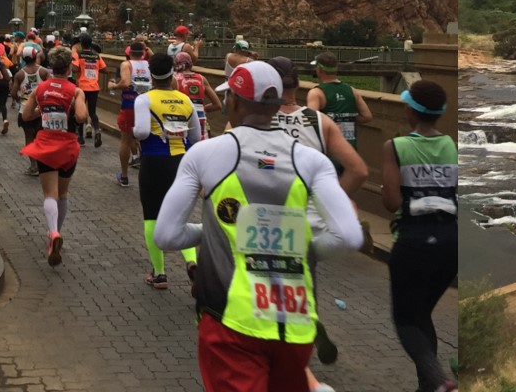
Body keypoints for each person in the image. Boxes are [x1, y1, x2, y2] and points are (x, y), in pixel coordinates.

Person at [153, 61, 363, 392]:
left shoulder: (206, 154)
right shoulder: (311, 161)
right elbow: (349, 235)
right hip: (293, 320)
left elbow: (165, 235)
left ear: (234, 102)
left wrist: (212, 232)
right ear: (277, 103)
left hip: (229, 319)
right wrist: (299, 245)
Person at [266, 57, 369, 379]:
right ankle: (305, 324)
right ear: (298, 85)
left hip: (267, 217)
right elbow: (359, 170)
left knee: (263, 283)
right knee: (302, 278)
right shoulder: (318, 121)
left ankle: (285, 352)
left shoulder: (256, 119)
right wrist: (334, 201)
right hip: (310, 219)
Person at [381, 80, 456, 392]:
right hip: (450, 241)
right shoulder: (452, 144)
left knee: (406, 320)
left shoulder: (395, 147)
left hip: (413, 240)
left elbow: (391, 202)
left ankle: (439, 381)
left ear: (411, 109)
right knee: (422, 314)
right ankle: (428, 387)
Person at [131, 52, 201, 289]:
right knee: (180, 217)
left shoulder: (144, 99)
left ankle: (159, 273)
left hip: (153, 160)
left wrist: (134, 131)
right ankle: (192, 262)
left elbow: (141, 132)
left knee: (152, 215)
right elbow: (196, 136)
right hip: (181, 162)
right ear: (172, 73)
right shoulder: (185, 100)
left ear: (151, 74)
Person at [19, 46, 88, 267]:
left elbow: (27, 115)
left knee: (50, 194)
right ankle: (57, 232)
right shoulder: (76, 91)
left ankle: (53, 232)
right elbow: (81, 116)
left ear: (51, 66)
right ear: (69, 67)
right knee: (63, 193)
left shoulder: (40, 89)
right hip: (67, 145)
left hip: (46, 144)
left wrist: (44, 109)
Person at [304, 53, 372, 147]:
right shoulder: (352, 90)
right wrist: (347, 119)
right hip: (350, 150)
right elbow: (367, 116)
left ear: (319, 70)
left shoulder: (316, 93)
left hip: (328, 152)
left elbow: (311, 121)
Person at [110, 41, 152, 186]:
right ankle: (148, 175)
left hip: (130, 104)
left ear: (129, 53)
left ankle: (125, 176)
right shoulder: (149, 64)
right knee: (147, 140)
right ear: (143, 52)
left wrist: (114, 85)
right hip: (147, 104)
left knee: (126, 141)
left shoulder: (126, 64)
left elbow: (126, 82)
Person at [13, 49, 47, 175]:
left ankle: (33, 166)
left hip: (25, 109)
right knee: (41, 137)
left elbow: (13, 93)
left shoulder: (19, 74)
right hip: (41, 110)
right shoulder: (43, 72)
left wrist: (20, 100)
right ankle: (42, 164)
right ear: (35, 56)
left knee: (29, 137)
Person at [173, 52, 223, 138]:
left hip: (182, 122)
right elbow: (217, 105)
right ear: (190, 64)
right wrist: (201, 109)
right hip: (201, 122)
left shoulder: (174, 79)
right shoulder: (201, 79)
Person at [73, 34, 106, 150]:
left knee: (80, 111)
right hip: (94, 87)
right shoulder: (97, 56)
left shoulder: (79, 55)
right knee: (92, 112)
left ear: (82, 44)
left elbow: (75, 68)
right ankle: (97, 130)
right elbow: (105, 69)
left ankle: (81, 137)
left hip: (82, 86)